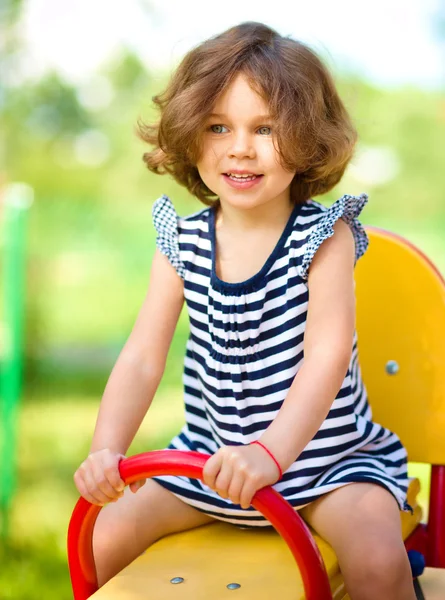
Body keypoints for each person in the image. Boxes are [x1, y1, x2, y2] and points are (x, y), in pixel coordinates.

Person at [74, 22, 417, 600]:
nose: (240, 147)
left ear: (306, 139)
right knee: (105, 537)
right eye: (218, 127)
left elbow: (327, 356)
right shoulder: (181, 243)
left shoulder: (322, 238)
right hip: (209, 465)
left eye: (266, 128)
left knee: (379, 562)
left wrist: (270, 453)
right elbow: (141, 357)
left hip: (328, 469)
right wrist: (106, 447)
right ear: (189, 134)